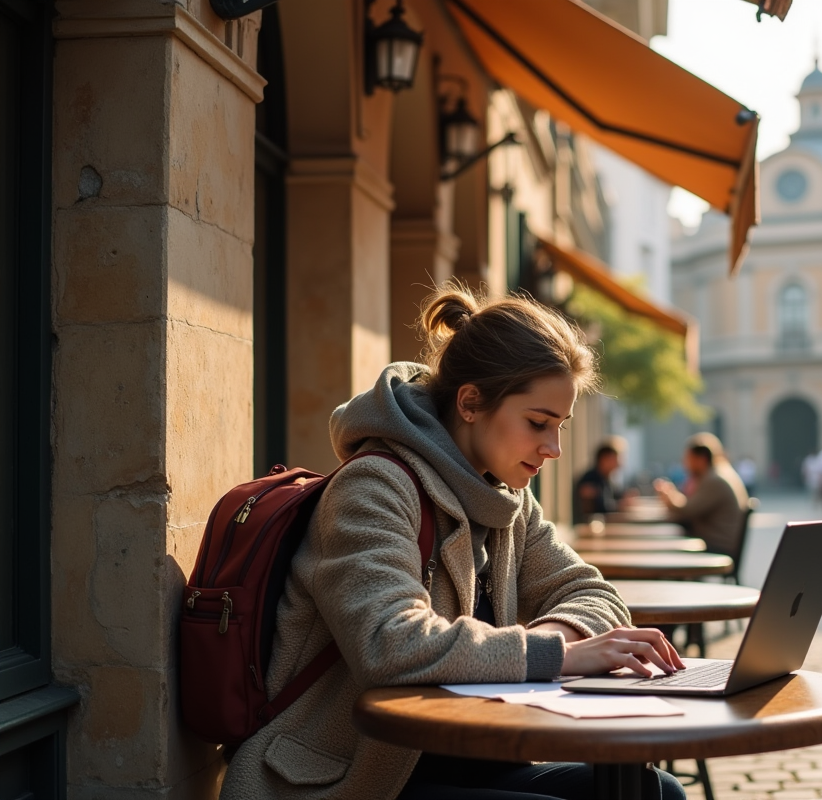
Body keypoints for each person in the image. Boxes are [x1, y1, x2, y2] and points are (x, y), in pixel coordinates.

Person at [220, 285, 686, 800]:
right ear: (469, 402)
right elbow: (389, 644)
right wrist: (560, 655)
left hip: (473, 761)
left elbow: (594, 595)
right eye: (538, 423)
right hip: (348, 778)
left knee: (655, 792)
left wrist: (562, 637)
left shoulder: (507, 501)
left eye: (561, 427)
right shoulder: (374, 487)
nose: (553, 449)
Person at [653, 433, 748, 558]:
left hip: (716, 545)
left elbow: (687, 510)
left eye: (688, 459)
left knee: (662, 550)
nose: (685, 465)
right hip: (718, 542)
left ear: (701, 459)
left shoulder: (714, 480)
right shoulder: (719, 473)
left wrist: (669, 495)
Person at [573, 437, 626, 523]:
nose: (619, 463)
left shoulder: (606, 479)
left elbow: (615, 497)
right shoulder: (590, 480)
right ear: (604, 459)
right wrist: (620, 505)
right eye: (615, 458)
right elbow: (598, 511)